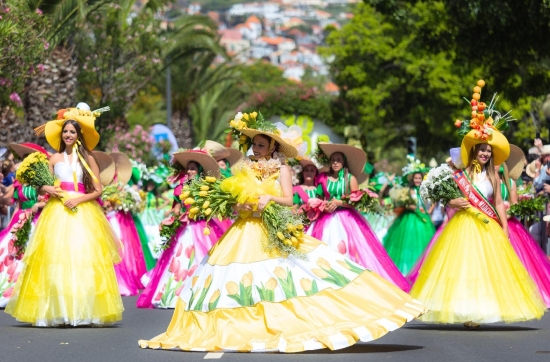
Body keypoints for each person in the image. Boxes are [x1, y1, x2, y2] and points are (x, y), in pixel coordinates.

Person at [138, 117, 426, 352]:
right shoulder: (245, 167)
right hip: (244, 229)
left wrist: (269, 200)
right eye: (253, 144)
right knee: (233, 279)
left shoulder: (283, 169)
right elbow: (235, 196)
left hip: (270, 228)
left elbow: (289, 200)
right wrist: (241, 203)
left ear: (272, 146)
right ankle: (239, 325)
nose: (256, 148)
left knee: (292, 275)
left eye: (261, 144)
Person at [411, 84, 546, 328]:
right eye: (481, 149)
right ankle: (464, 310)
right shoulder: (461, 173)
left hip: (487, 226)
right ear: (474, 151)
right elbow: (447, 196)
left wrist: (504, 226)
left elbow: (497, 203)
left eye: (488, 150)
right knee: (463, 267)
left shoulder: (495, 175)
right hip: (463, 225)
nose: (484, 153)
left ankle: (482, 310)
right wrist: (452, 201)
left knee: (486, 269)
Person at [5, 103, 123, 326]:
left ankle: (84, 311)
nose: (68, 135)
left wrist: (77, 199)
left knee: (82, 257)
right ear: (62, 135)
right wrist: (46, 189)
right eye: (66, 131)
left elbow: (98, 190)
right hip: (56, 212)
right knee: (55, 260)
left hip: (82, 213)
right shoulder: (54, 159)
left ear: (79, 135)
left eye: (72, 131)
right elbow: (44, 186)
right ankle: (58, 310)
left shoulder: (87, 159)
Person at [309, 143, 410, 291]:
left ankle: (351, 285)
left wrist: (339, 202)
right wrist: (324, 205)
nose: (335, 162)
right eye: (333, 160)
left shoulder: (350, 179)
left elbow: (355, 202)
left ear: (344, 162)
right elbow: (318, 198)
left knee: (350, 252)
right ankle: (328, 284)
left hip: (346, 219)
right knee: (326, 250)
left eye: (338, 159)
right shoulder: (323, 178)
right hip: (325, 220)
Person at [136, 149, 225, 309]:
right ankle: (175, 295)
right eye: (188, 168)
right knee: (179, 260)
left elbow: (210, 209)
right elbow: (177, 209)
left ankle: (201, 295)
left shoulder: (207, 187)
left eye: (193, 168)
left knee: (202, 260)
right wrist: (174, 217)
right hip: (185, 229)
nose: (190, 171)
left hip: (201, 229)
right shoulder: (180, 188)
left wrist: (194, 213)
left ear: (199, 171)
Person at [498, 147, 550, 308]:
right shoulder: (485, 179)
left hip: (508, 224)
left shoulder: (510, 182)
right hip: (489, 223)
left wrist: (506, 215)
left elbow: (514, 205)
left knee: (515, 261)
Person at [0, 143, 49, 307]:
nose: (23, 161)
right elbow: (18, 206)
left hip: (36, 221)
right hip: (20, 219)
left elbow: (48, 201)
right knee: (9, 251)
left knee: (28, 254)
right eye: (23, 158)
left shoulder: (43, 180)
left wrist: (37, 207)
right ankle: (7, 288)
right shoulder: (19, 181)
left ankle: (24, 291)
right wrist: (11, 225)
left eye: (27, 159)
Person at [382, 160, 436, 275]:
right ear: (412, 179)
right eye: (415, 178)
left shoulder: (424, 190)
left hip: (422, 219)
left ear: (422, 179)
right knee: (407, 242)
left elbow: (433, 200)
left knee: (423, 245)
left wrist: (429, 211)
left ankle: (420, 269)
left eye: (419, 178)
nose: (417, 180)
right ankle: (405, 270)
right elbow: (402, 202)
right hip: (408, 218)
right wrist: (408, 205)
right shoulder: (408, 190)